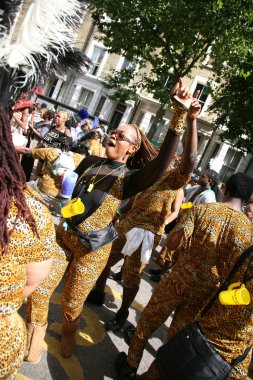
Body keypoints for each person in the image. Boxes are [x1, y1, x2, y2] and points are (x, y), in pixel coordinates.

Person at [25, 78, 194, 360]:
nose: (113, 136)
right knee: (41, 288)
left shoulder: (129, 179)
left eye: (121, 135)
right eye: (113, 131)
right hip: (64, 236)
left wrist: (178, 116)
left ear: (132, 149)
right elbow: (67, 175)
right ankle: (35, 333)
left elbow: (162, 162)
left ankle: (69, 331)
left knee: (71, 302)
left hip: (92, 251)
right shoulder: (92, 162)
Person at [116, 172, 253, 380]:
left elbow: (172, 244)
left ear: (225, 190)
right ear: (246, 199)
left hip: (178, 279)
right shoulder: (248, 232)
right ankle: (158, 373)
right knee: (179, 337)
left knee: (148, 321)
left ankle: (130, 364)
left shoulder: (201, 210)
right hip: (206, 292)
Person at [86, 97, 200, 332]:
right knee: (103, 259)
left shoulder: (175, 181)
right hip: (125, 225)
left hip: (147, 234)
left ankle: (123, 311)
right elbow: (135, 201)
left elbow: (190, 160)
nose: (163, 158)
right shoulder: (146, 174)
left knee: (130, 277)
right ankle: (98, 292)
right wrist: (118, 212)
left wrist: (191, 121)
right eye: (160, 154)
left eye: (169, 157)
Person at [0, 105, 61, 379]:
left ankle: (36, 348)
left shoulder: (31, 215)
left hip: (43, 209)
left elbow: (30, 284)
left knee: (52, 302)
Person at [19, 139, 87, 215]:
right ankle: (67, 223)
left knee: (19, 188)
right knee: (68, 215)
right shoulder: (79, 158)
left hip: (41, 191)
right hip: (62, 198)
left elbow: (26, 151)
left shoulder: (51, 151)